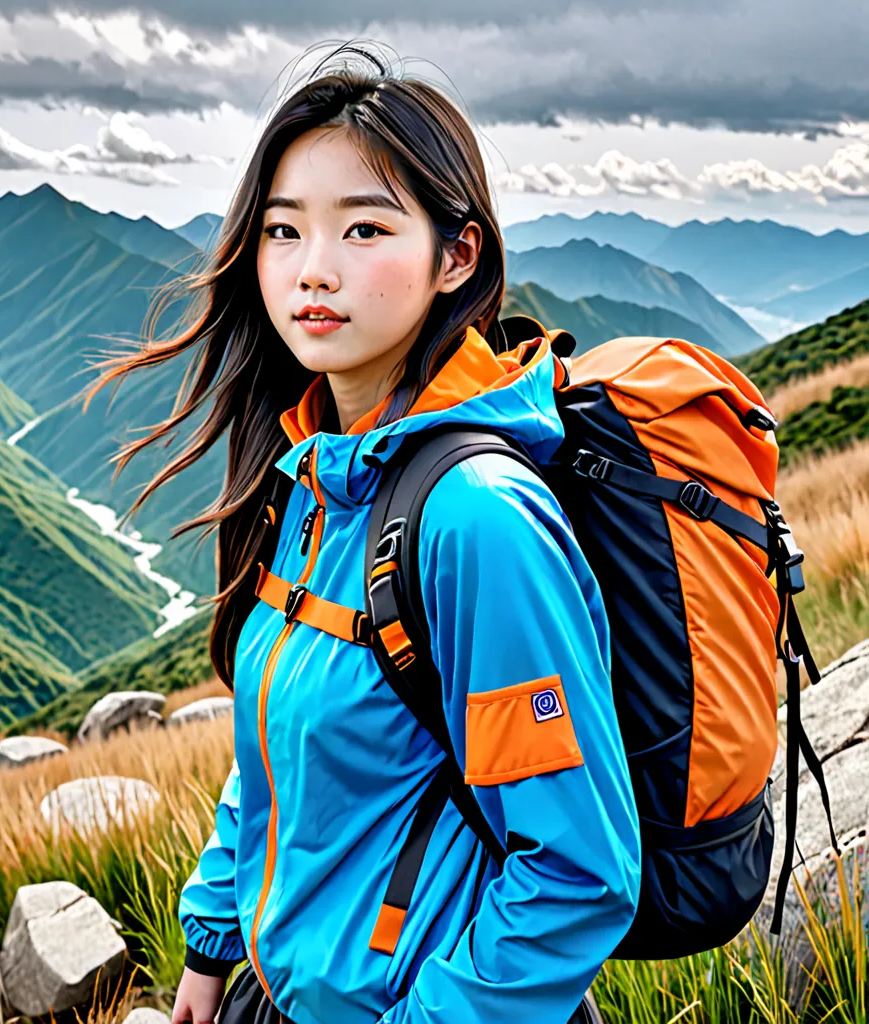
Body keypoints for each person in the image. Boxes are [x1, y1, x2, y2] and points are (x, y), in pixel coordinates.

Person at [87, 42, 641, 1024]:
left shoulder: (476, 520)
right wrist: (209, 953)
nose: (313, 270)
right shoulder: (313, 478)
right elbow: (271, 753)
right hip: (283, 990)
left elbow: (578, 872)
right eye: (283, 231)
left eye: (364, 229)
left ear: (455, 256)